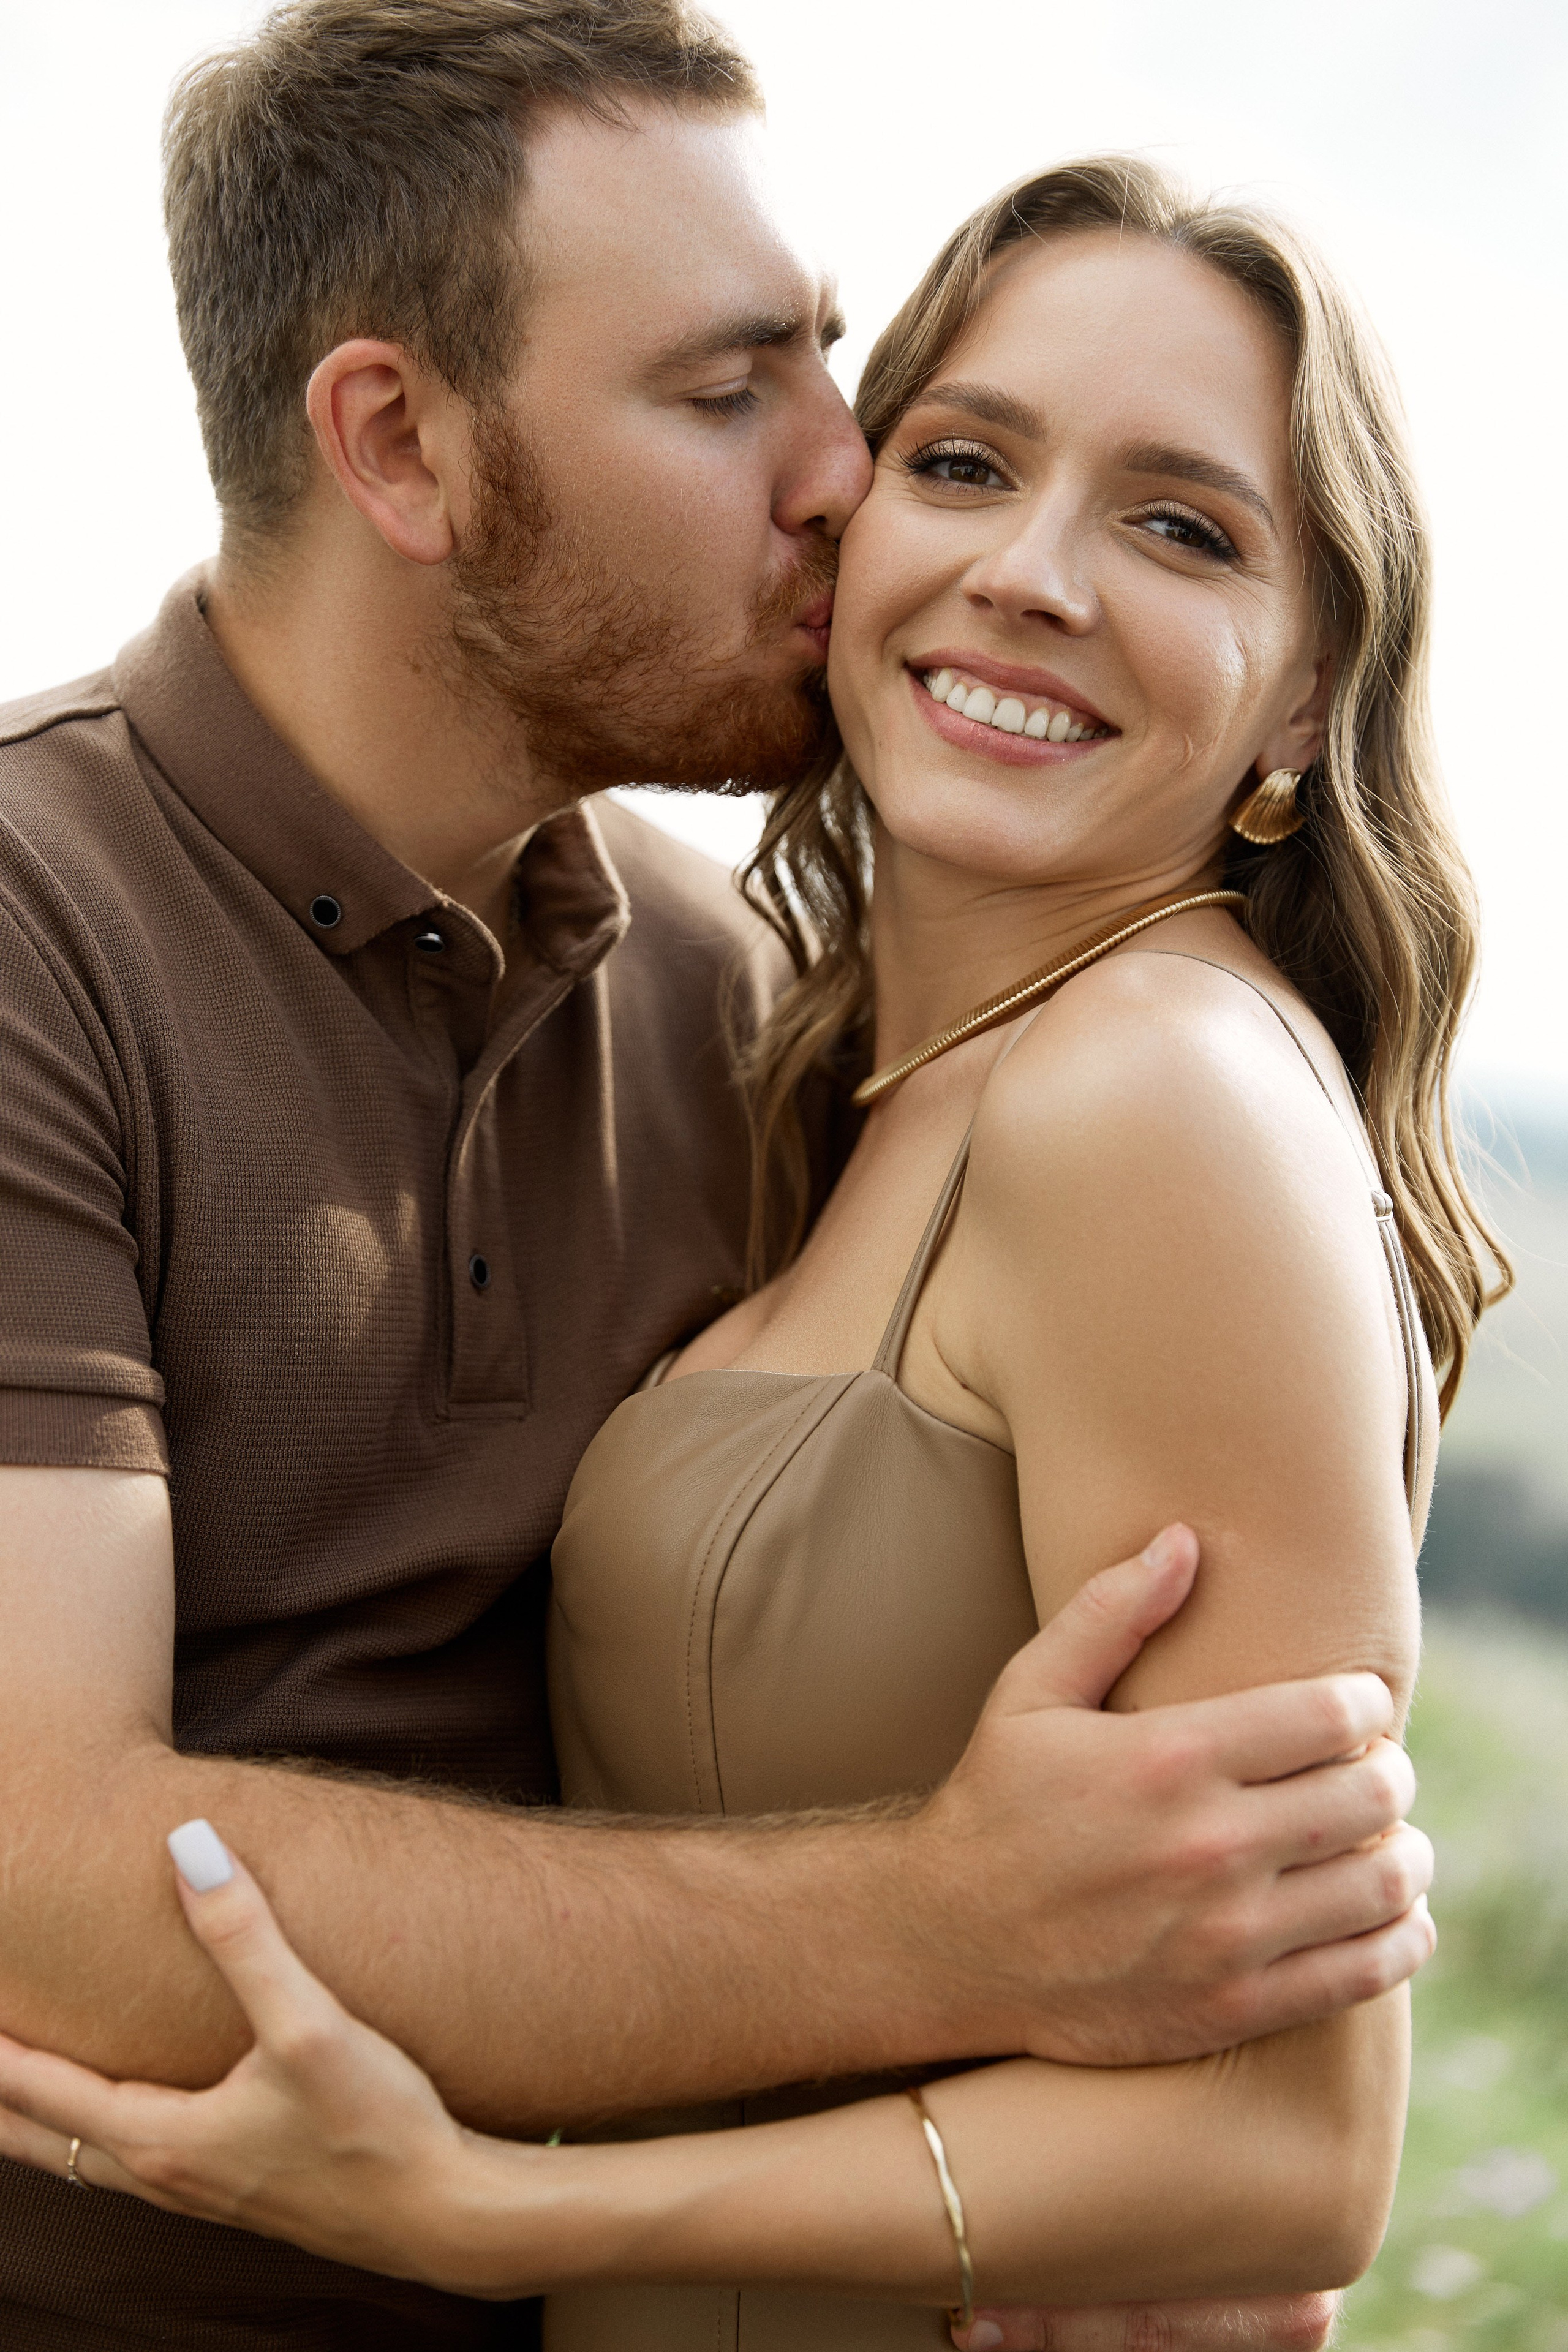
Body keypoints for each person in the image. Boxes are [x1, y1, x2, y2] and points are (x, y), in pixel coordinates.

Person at [0, 9, 1453, 2350]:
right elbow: (33, 1891)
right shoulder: (798, 1042)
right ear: (397, 443)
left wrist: (1103, 2197)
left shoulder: (758, 1008)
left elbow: (1273, 2099)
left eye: (838, 374)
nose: (840, 477)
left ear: (1308, 692)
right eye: (731, 392)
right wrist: (945, 1941)